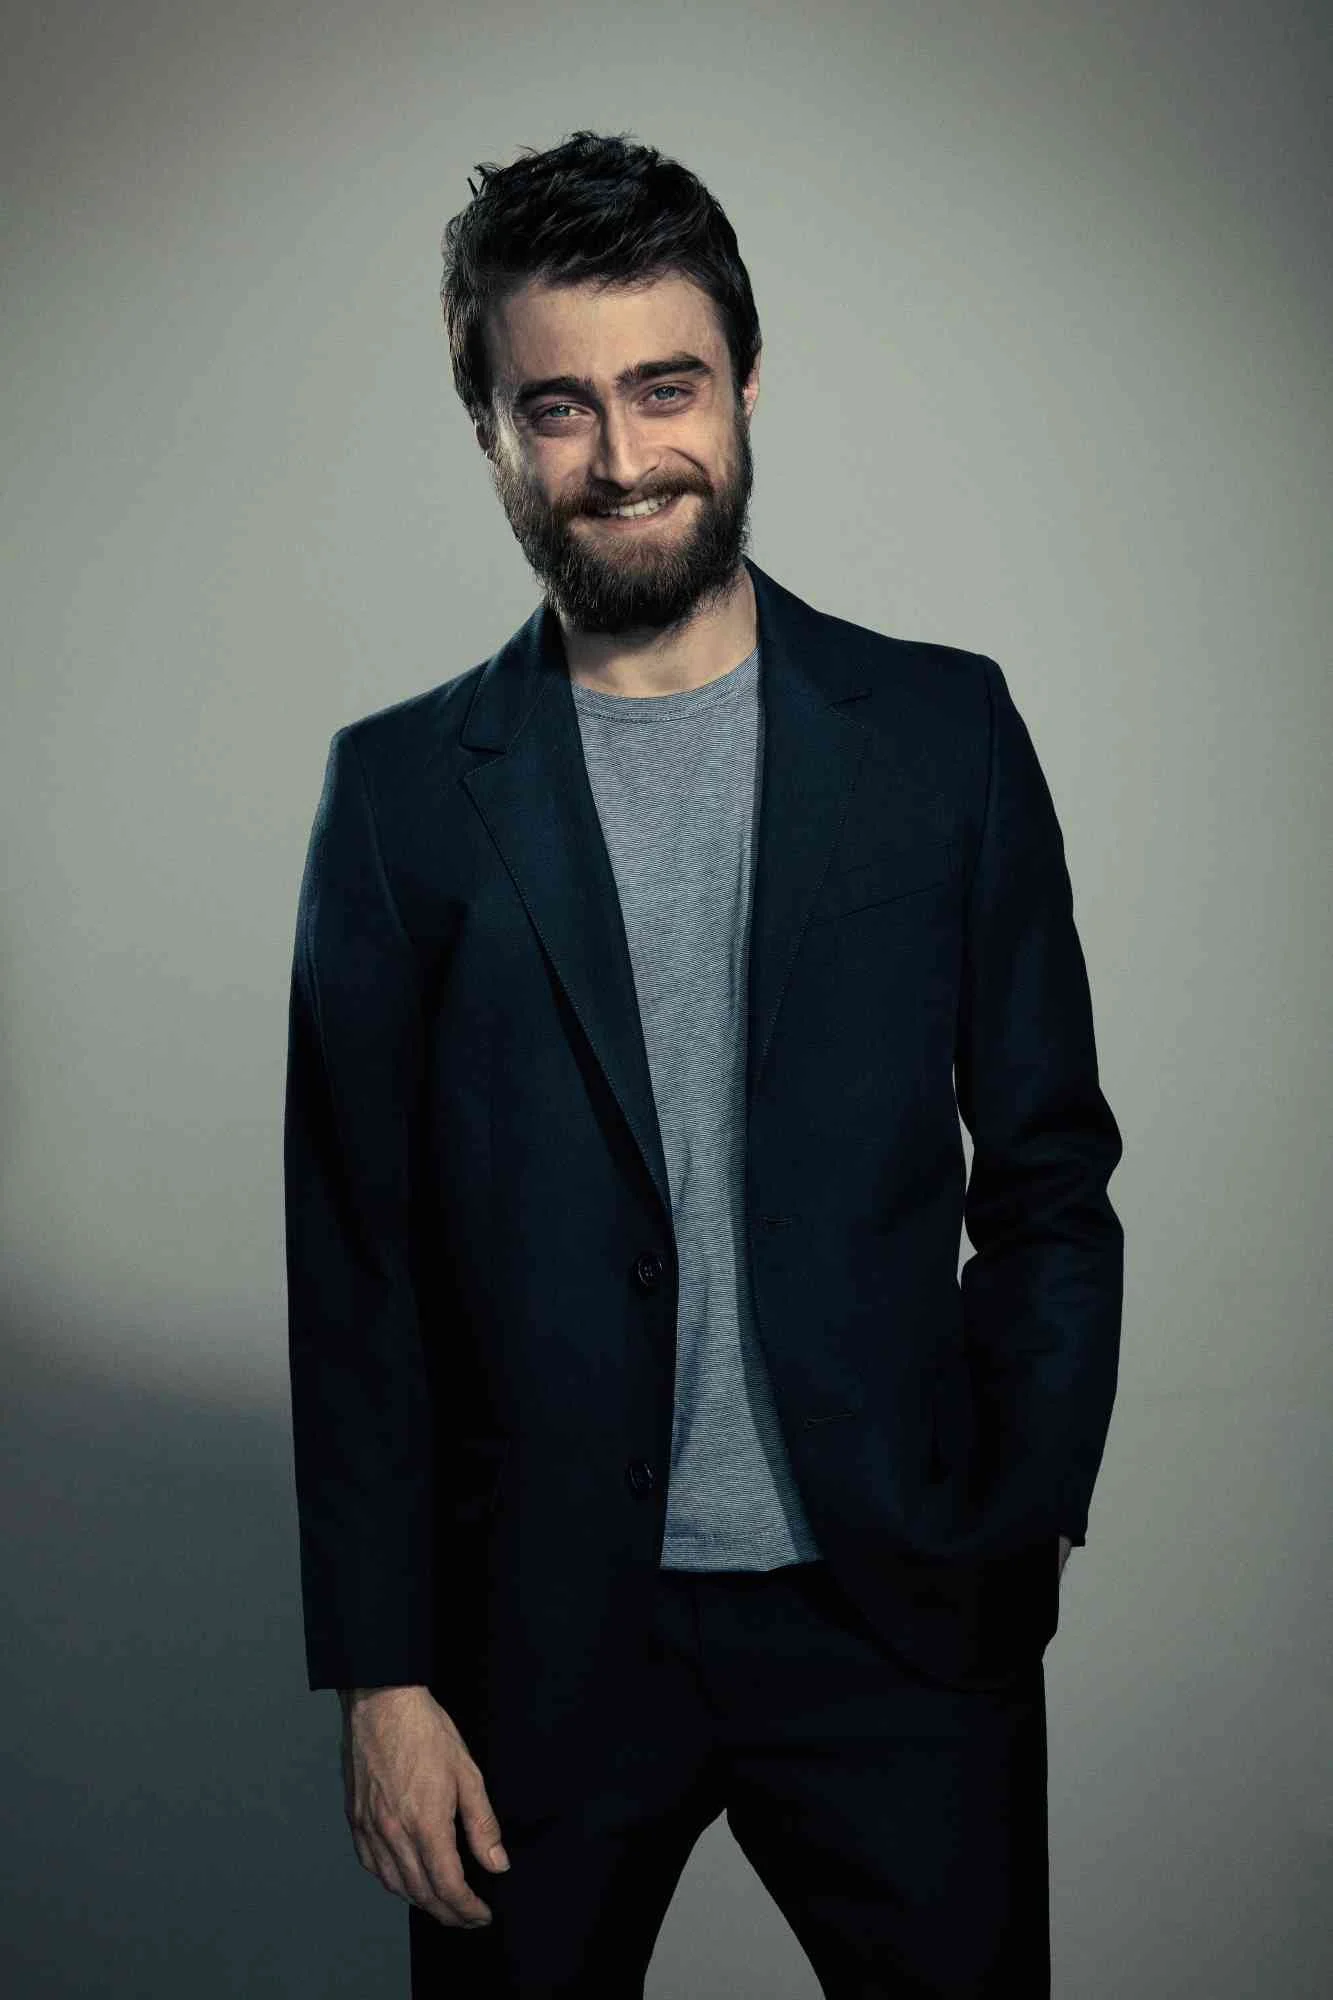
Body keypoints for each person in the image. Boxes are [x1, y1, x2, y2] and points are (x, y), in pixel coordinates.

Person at [283, 129, 1124, 1999]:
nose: (622, 455)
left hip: (896, 1615)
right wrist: (387, 1676)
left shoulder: (942, 735)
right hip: (533, 1655)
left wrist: (1018, 1524)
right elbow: (357, 1271)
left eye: (665, 387)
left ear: (745, 381)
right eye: (556, 406)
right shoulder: (407, 797)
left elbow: (1055, 1180)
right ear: (490, 429)